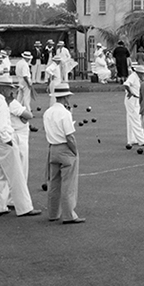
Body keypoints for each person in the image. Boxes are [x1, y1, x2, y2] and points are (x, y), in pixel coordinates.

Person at [0, 74, 41, 217]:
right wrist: (9, 141)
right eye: (10, 88)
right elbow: (1, 127)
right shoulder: (2, 103)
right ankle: (25, 208)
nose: (12, 91)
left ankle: (0, 206)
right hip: (3, 141)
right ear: (3, 89)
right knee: (17, 175)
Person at [43, 82, 85, 224]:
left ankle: (53, 213)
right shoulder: (64, 113)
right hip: (65, 149)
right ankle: (69, 215)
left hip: (52, 148)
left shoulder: (47, 112)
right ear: (65, 97)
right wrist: (75, 151)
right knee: (68, 184)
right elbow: (70, 136)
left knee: (54, 183)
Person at [8, 85, 33, 182]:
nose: (15, 91)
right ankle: (20, 191)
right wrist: (24, 116)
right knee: (21, 166)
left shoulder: (6, 103)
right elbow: (29, 115)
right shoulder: (12, 103)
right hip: (18, 135)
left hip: (14, 133)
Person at [123, 66, 144, 147]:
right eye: (143, 74)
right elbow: (126, 84)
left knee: (131, 119)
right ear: (139, 73)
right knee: (136, 118)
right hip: (132, 99)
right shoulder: (133, 76)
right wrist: (130, 92)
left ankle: (132, 139)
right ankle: (142, 140)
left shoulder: (137, 77)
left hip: (136, 99)